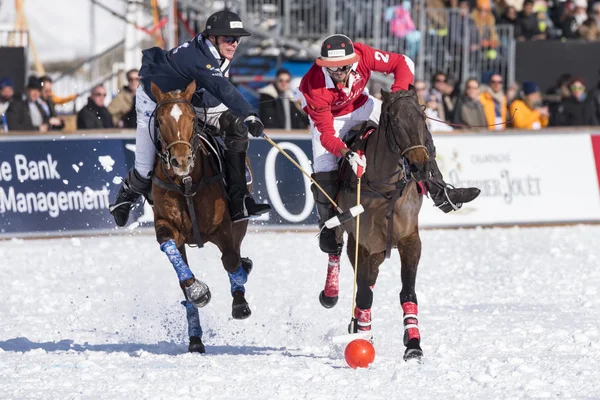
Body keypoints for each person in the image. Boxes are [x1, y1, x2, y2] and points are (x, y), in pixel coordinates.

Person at [297, 34, 480, 254]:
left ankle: (441, 192)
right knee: (324, 166)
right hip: (331, 120)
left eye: (342, 68)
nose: (338, 74)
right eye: (331, 69)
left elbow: (403, 62)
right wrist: (346, 152)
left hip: (362, 105)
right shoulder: (312, 86)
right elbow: (326, 135)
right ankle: (328, 226)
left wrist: (397, 96)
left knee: (411, 124)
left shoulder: (363, 54)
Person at [109, 10, 270, 227]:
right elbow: (221, 87)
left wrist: (244, 120)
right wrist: (249, 113)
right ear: (212, 38)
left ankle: (240, 199)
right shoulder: (198, 57)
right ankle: (127, 196)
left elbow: (215, 90)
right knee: (145, 167)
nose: (233, 43)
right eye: (228, 39)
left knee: (237, 128)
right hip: (155, 99)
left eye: (236, 39)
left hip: (190, 99)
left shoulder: (218, 52)